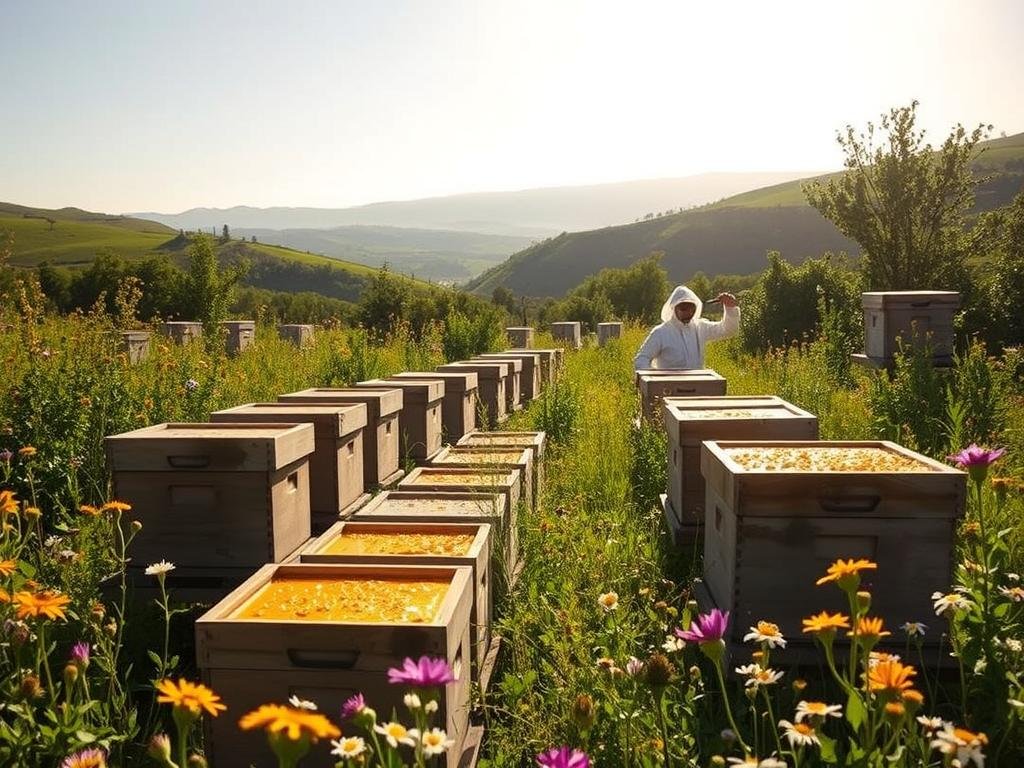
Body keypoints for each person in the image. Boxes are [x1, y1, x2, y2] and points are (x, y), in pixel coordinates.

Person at [633, 285, 740, 370]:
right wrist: (657, 379)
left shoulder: (701, 327)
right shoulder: (661, 332)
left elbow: (728, 331)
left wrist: (730, 308)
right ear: (673, 308)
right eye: (684, 308)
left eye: (692, 308)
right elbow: (641, 359)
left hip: (697, 389)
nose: (689, 312)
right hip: (669, 390)